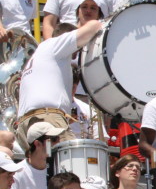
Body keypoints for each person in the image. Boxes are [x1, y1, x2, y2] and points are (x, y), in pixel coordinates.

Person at [15, 17, 104, 149]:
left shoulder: (39, 56)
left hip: (27, 123)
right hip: (47, 119)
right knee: (73, 160)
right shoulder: (54, 45)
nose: (79, 50)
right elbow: (94, 25)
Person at [11, 122, 59, 189]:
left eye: (57, 138)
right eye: (53, 139)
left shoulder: (58, 168)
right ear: (37, 143)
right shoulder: (17, 172)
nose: (57, 142)